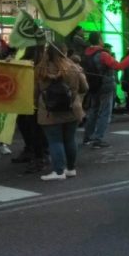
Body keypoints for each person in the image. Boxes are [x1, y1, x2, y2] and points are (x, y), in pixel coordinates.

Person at [35, 44, 88, 180]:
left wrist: (37, 103)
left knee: (55, 141)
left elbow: (35, 91)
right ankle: (71, 168)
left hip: (49, 110)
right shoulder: (73, 67)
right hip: (71, 108)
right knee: (70, 139)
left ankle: (58, 172)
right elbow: (84, 87)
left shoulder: (41, 69)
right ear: (64, 52)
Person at [83, 32, 129, 149]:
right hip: (105, 86)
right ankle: (98, 139)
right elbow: (119, 66)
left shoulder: (86, 53)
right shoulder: (103, 55)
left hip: (92, 85)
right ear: (99, 40)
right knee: (105, 112)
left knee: (93, 110)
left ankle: (87, 136)